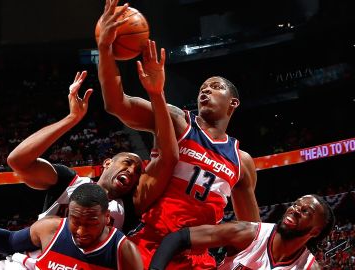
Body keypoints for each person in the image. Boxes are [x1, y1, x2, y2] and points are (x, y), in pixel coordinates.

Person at [96, 0, 260, 268]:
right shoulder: (175, 120)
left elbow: (250, 231)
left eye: (215, 87)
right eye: (202, 88)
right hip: (151, 241)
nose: (205, 91)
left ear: (233, 103)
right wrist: (104, 49)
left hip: (196, 257)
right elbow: (117, 104)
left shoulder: (242, 161)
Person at [0, 68, 177, 269]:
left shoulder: (128, 206)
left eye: (137, 172)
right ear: (107, 163)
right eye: (127, 162)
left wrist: (156, 94)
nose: (132, 171)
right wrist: (71, 119)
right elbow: (18, 161)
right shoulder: (68, 181)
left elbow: (167, 157)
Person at [0, 183, 143, 269]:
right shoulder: (51, 228)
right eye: (75, 222)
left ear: (107, 218)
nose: (80, 231)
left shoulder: (123, 252)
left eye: (91, 223)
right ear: (68, 213)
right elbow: (9, 242)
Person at [148, 194, 335, 270]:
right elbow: (178, 238)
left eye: (305, 212)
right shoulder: (248, 233)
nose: (295, 209)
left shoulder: (308, 267)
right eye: (295, 204)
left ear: (316, 230)